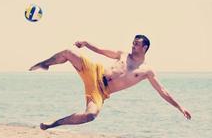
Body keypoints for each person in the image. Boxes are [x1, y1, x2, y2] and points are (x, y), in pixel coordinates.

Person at [29, 35, 192, 130]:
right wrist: (86, 44)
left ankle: (53, 124)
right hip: (94, 72)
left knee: (90, 115)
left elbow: (162, 90)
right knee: (69, 52)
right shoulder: (123, 54)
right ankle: (45, 64)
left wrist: (180, 107)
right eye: (133, 43)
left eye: (136, 44)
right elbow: (101, 50)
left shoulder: (146, 71)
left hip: (100, 92)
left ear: (145, 47)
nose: (133, 45)